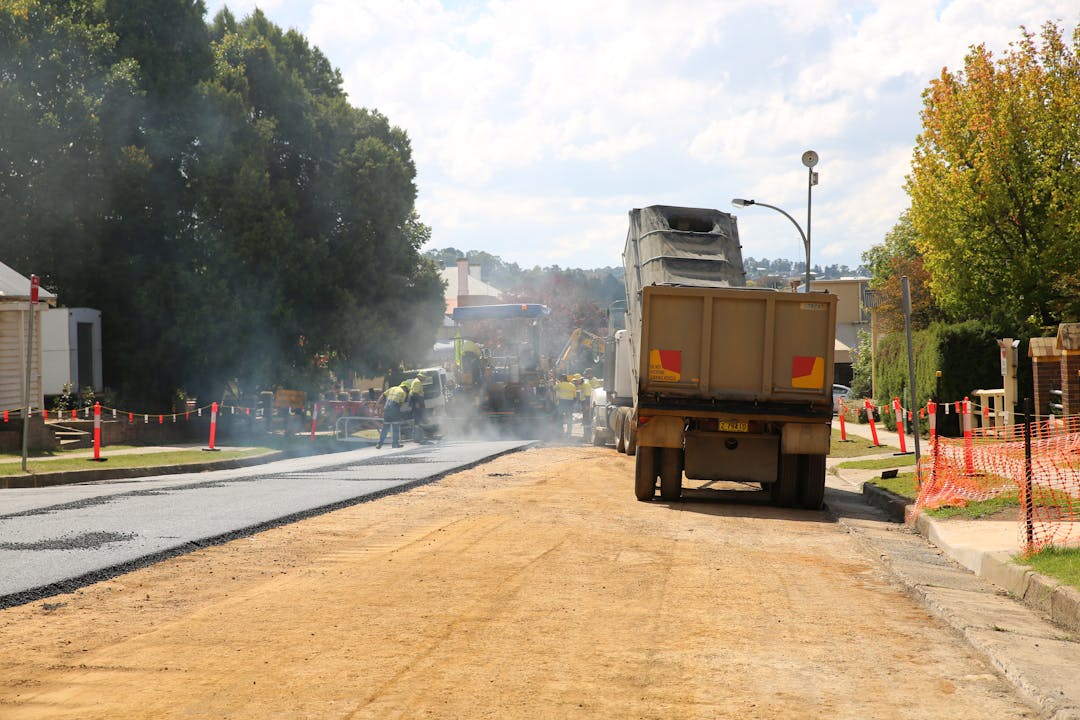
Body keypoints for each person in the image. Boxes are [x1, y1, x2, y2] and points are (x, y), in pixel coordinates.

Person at [375, 383, 408, 449]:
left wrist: (377, 403)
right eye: (407, 390)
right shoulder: (403, 393)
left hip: (386, 407)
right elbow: (401, 404)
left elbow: (383, 395)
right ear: (405, 388)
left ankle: (379, 444)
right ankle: (395, 444)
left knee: (385, 428)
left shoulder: (393, 388)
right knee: (395, 427)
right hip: (394, 408)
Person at [409, 372, 429, 443]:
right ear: (420, 377)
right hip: (417, 401)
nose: (424, 379)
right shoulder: (417, 382)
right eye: (424, 378)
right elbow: (415, 393)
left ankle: (419, 436)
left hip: (417, 401)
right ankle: (418, 437)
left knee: (418, 420)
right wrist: (417, 403)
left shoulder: (415, 381)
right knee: (418, 420)